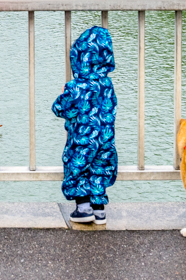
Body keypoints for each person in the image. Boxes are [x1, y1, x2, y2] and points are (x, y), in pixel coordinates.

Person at [52, 26, 118, 225]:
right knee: (99, 171)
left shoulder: (75, 87)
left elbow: (59, 109)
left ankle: (83, 209)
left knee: (77, 168)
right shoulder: (107, 85)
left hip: (82, 140)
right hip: (105, 140)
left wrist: (65, 92)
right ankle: (99, 212)